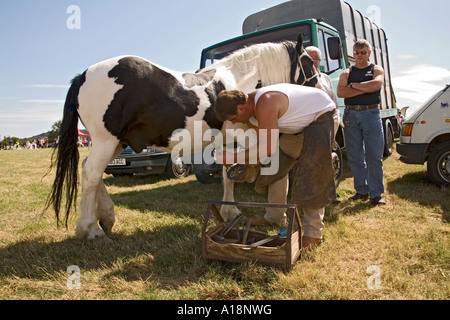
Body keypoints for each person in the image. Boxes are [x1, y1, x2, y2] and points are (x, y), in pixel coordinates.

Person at [215, 83, 337, 251]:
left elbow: (267, 147)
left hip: (321, 116)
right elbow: (262, 148)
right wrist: (246, 167)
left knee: (312, 171)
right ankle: (275, 216)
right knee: (275, 164)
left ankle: (314, 234)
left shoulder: (265, 102)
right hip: (298, 128)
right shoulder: (249, 108)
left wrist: (232, 156)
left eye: (233, 119)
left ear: (241, 108)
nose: (234, 123)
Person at [337, 39, 386, 206]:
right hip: (351, 114)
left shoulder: (376, 69)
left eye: (363, 52)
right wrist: (364, 87)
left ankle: (376, 193)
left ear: (369, 53)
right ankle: (361, 190)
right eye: (356, 52)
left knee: (374, 155)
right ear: (353, 53)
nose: (359, 55)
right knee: (355, 155)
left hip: (371, 114)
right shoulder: (347, 72)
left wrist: (355, 85)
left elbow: (376, 85)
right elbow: (341, 91)